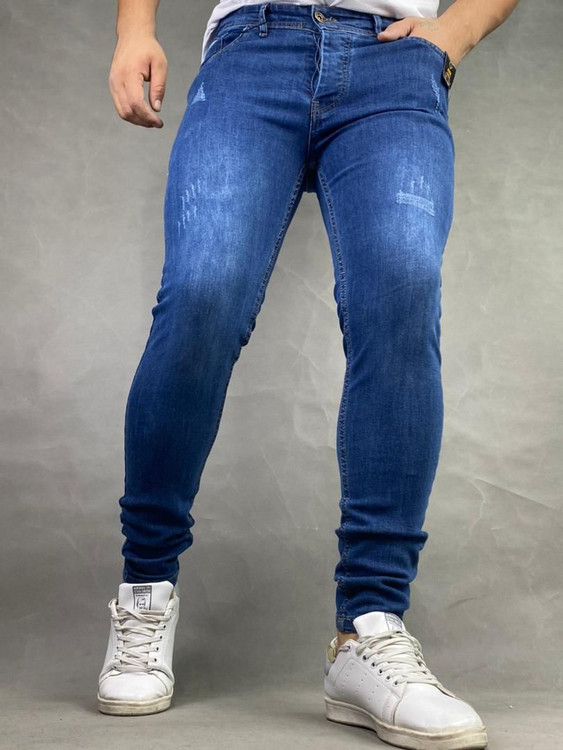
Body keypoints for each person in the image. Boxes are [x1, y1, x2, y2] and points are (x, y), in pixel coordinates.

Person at [98, 0, 519, 746]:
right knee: (202, 293)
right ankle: (145, 592)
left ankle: (369, 628)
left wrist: (455, 33)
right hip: (253, 46)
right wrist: (134, 29)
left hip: (394, 65)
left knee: (402, 293)